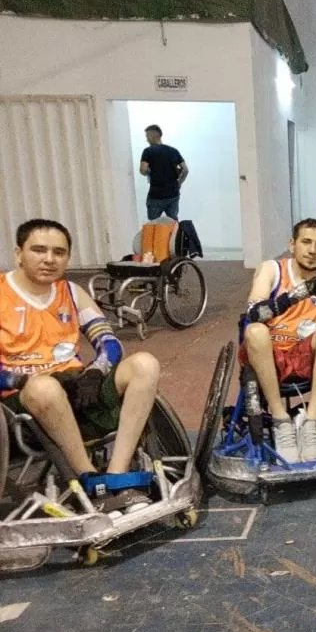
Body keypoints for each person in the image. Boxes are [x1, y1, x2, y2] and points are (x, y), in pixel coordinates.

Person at [0, 219, 162, 512]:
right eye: (39, 250)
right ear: (18, 254)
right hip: (23, 401)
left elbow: (110, 343)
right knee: (44, 387)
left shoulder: (72, 293)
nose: (49, 259)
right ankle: (89, 478)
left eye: (58, 252)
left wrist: (95, 371)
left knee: (145, 364)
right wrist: (19, 380)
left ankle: (116, 476)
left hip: (76, 386)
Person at [242, 218, 316, 463]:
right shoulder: (271, 269)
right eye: (306, 242)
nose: (312, 250)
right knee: (254, 330)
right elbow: (253, 312)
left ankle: (311, 422)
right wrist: (302, 292)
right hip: (270, 354)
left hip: (309, 356)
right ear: (292, 244)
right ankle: (280, 419)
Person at [139, 125, 188, 221]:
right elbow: (185, 170)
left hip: (156, 195)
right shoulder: (173, 151)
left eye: (147, 136)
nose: (147, 139)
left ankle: (158, 236)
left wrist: (149, 172)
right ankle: (174, 236)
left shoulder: (148, 151)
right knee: (173, 223)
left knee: (153, 224)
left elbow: (143, 170)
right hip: (173, 194)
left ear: (153, 135)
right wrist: (179, 183)